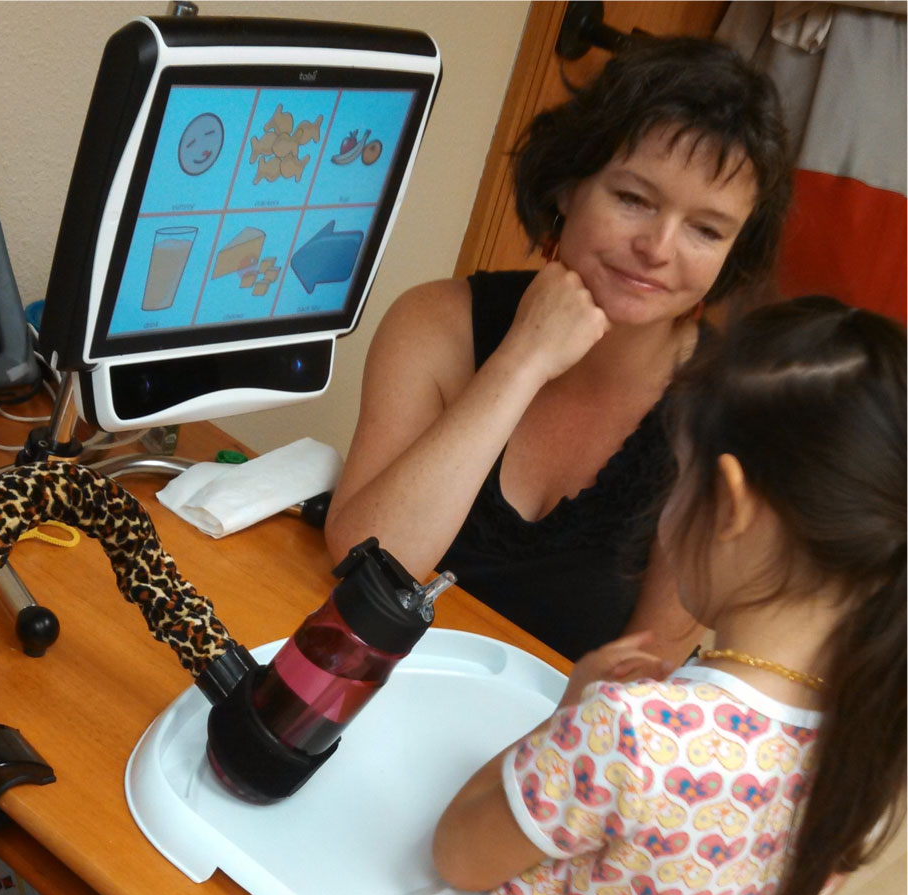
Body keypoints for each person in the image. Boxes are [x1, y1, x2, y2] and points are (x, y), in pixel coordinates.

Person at [432, 296, 906, 895]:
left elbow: (459, 852)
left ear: (731, 503)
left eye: (680, 478)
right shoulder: (872, 732)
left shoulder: (628, 733)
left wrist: (564, 721)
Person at [324, 36, 792, 664]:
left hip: (551, 743)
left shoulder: (727, 417)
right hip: (364, 678)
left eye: (706, 230)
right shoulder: (435, 323)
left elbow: (637, 679)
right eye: (633, 199)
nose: (658, 247)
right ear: (569, 186)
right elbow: (365, 561)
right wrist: (523, 362)